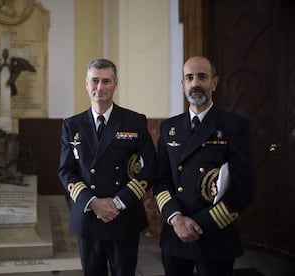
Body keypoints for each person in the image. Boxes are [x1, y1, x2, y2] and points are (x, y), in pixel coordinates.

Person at [153, 56, 256, 276]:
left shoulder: (233, 126)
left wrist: (200, 225)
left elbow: (243, 188)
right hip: (175, 234)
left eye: (202, 77)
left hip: (214, 235)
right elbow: (161, 180)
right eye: (189, 77)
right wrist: (176, 218)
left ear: (214, 83)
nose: (195, 83)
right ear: (183, 84)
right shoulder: (168, 128)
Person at [58, 58, 158, 276]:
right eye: (95, 81)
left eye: (106, 81)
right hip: (88, 217)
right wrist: (93, 203)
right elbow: (66, 170)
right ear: (86, 84)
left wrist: (119, 202)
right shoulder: (71, 125)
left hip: (123, 216)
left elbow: (151, 166)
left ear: (115, 84)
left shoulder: (134, 121)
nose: (100, 87)